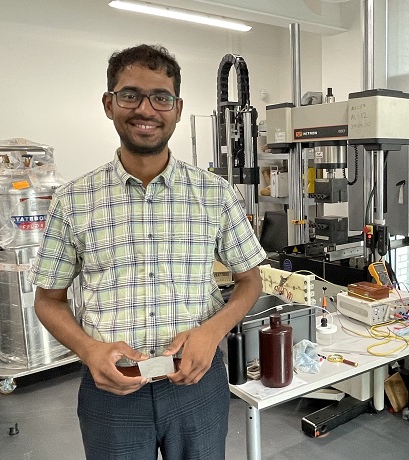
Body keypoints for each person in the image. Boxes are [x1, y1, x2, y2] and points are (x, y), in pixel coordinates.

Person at [28, 44, 265, 460]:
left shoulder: (214, 194)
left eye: (161, 97)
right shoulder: (73, 200)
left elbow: (250, 280)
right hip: (111, 392)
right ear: (109, 103)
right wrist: (89, 350)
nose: (146, 109)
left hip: (197, 384)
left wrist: (212, 332)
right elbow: (48, 300)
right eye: (130, 95)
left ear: (176, 108)